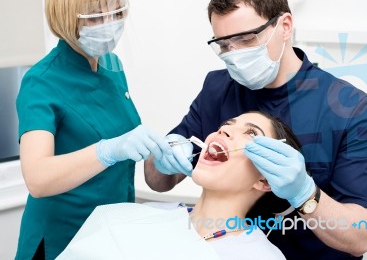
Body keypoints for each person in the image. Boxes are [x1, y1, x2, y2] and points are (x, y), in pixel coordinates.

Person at [144, 0, 367, 259]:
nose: (234, 54)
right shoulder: (217, 89)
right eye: (223, 44)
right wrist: (160, 161)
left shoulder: (348, 107)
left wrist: (306, 195)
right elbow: (157, 180)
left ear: (285, 26)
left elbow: (362, 237)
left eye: (246, 39)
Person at [15, 0, 182, 259]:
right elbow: (37, 178)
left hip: (111, 230)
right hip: (63, 239)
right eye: (96, 17)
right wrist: (108, 151)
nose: (110, 24)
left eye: (117, 14)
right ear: (66, 17)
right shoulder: (41, 82)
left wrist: (162, 155)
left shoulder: (112, 65)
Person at [57, 111, 292, 260]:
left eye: (251, 133)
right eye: (227, 124)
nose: (225, 129)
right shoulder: (125, 218)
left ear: (264, 180)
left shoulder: (261, 255)